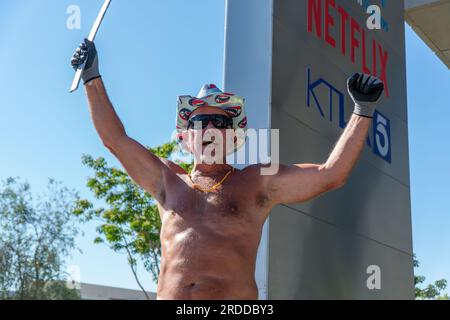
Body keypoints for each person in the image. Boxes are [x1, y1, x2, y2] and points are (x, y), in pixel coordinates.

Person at [71, 39, 385, 300]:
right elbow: (115, 140)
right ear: (186, 136)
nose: (209, 128)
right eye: (200, 121)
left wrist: (362, 110)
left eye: (220, 122)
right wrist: (91, 76)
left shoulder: (256, 182)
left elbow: (331, 175)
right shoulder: (167, 179)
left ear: (234, 136)